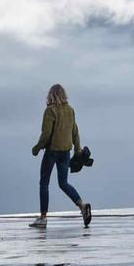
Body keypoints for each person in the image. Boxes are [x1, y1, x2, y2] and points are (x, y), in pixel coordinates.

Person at [30, 83, 91, 229]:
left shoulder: (50, 111)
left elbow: (46, 134)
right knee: (63, 183)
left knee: (44, 182)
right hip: (66, 152)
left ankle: (43, 218)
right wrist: (77, 150)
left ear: (51, 95)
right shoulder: (70, 110)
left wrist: (37, 148)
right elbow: (75, 132)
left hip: (52, 151)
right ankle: (82, 205)